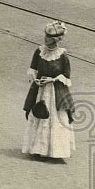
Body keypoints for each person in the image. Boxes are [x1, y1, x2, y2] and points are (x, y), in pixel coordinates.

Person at [22, 21, 76, 160]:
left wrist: (51, 80)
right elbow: (33, 69)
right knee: (40, 116)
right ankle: (38, 149)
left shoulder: (62, 55)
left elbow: (66, 76)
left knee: (54, 118)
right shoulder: (39, 52)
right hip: (41, 90)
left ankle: (55, 151)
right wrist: (35, 79)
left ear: (55, 40)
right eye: (46, 36)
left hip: (54, 92)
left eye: (49, 37)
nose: (45, 39)